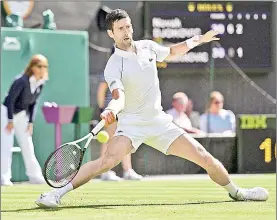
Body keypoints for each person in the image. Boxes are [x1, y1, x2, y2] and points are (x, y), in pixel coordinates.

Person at [36, 9, 268, 208]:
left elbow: (174, 51)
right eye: (120, 28)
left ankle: (237, 192)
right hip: (131, 126)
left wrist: (198, 39)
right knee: (105, 163)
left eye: (128, 26)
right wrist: (112, 109)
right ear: (111, 33)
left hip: (159, 122)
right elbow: (119, 96)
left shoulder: (147, 47)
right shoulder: (114, 65)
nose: (127, 32)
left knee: (204, 157)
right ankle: (55, 194)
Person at [1, 54, 49, 186]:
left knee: (28, 145)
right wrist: (10, 120)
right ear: (32, 67)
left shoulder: (40, 83)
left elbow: (33, 104)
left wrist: (30, 123)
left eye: (45, 66)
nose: (42, 69)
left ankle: (35, 176)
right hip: (7, 114)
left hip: (23, 116)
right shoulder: (21, 80)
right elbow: (10, 100)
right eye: (39, 66)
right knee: (6, 145)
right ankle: (4, 177)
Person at [97, 55, 143, 181]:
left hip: (126, 111)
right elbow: (102, 90)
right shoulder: (109, 70)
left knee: (126, 139)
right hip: (112, 111)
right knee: (109, 138)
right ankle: (105, 171)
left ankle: (128, 170)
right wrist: (102, 109)